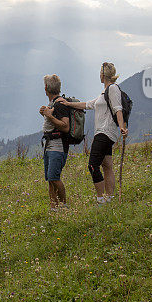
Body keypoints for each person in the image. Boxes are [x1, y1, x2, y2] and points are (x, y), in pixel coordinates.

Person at [60, 62, 128, 204]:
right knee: (107, 165)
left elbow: (118, 109)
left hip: (105, 132)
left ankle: (100, 199)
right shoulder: (104, 93)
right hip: (106, 133)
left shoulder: (113, 89)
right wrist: (69, 104)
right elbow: (88, 104)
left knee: (92, 165)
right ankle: (109, 197)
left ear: (102, 75)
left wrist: (122, 127)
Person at [39, 74, 70, 210]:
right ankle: (54, 207)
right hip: (50, 146)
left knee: (54, 177)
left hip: (57, 147)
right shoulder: (53, 104)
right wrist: (45, 114)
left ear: (46, 88)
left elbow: (65, 126)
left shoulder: (60, 104)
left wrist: (49, 116)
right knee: (50, 180)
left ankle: (63, 205)